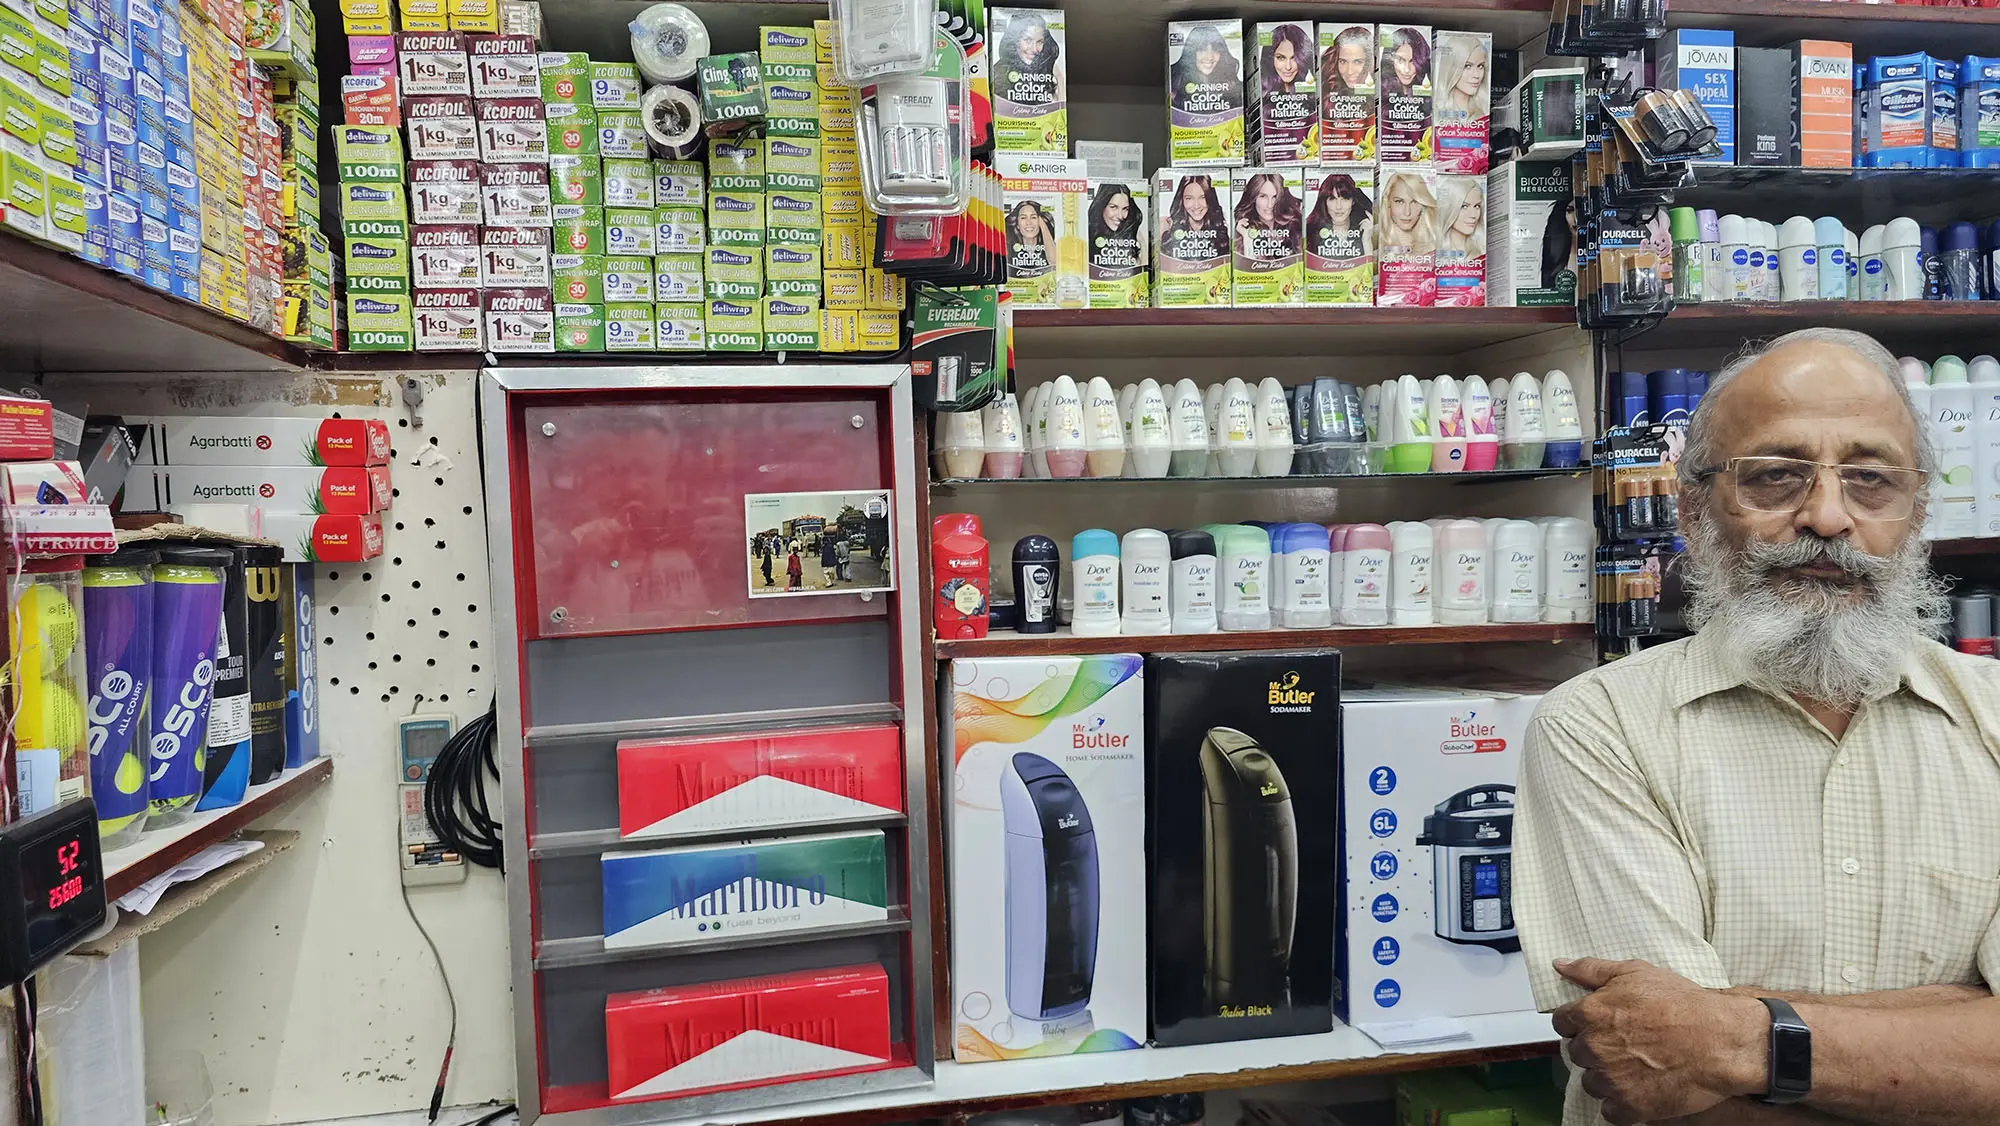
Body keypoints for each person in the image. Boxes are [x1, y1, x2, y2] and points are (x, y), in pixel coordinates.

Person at [1514, 327, 2000, 1126]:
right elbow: (1655, 1079)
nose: (1828, 517)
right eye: (1776, 476)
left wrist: (1731, 1038)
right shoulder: (1600, 728)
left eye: (1871, 480)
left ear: (1916, 515)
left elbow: (1687, 1054)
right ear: (1693, 510)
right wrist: (1959, 1033)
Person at [993, 9, 1061, 108]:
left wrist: (1059, 76)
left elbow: (1060, 110)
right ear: (1014, 41)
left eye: (1040, 42)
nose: (1034, 49)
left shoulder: (1046, 73)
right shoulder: (999, 74)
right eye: (1028, 40)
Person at [1170, 23, 1241, 113]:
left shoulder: (1234, 88)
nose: (1210, 57)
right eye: (1202, 49)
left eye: (1216, 49)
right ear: (1191, 53)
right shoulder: (1174, 87)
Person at [1233, 172, 1303, 258]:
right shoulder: (1243, 230)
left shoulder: (1295, 227)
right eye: (1263, 196)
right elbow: (1248, 265)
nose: (1270, 205)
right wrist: (1247, 240)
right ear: (1253, 198)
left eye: (1275, 197)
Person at [1306, 173, 1374, 257]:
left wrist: (1367, 241)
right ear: (1325, 202)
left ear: (1353, 201)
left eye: (1345, 199)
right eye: (1332, 199)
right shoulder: (1310, 234)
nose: (1338, 207)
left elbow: (1371, 265)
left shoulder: (1368, 230)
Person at [1162, 175, 1226, 258]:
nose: (1196, 206)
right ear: (1181, 200)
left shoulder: (1220, 228)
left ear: (1210, 199)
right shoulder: (1167, 226)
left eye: (1203, 197)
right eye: (1189, 198)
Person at [1088, 182, 1146, 269]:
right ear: (1101, 206)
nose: (1120, 216)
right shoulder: (1087, 236)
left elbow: (1142, 272)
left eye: (1125, 209)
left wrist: (1143, 243)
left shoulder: (1133, 237)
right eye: (1113, 207)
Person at [1377, 170, 1436, 254]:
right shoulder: (1374, 242)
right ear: (1388, 202)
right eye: (1399, 201)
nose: (1407, 212)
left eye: (1414, 202)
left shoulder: (1436, 242)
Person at [1435, 33, 1490, 121]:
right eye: (1467, 66)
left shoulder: (1483, 113)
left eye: (1480, 66)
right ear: (1452, 68)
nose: (1476, 75)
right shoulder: (1436, 112)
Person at [1322, 23, 1374, 99]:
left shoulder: (1381, 91)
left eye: (1357, 62)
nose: (1350, 71)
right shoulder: (1326, 91)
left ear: (1369, 62)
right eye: (1343, 61)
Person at [1260, 21, 1311, 97]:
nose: (1288, 67)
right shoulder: (1262, 94)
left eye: (1294, 58)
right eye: (1281, 58)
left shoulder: (1312, 94)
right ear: (1270, 59)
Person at [1436, 177, 1484, 257]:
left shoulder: (1482, 250)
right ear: (1448, 208)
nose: (1473, 215)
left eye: (1477, 206)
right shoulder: (1433, 251)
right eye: (1464, 206)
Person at [1380, 26, 1431, 98]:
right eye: (1400, 60)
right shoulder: (1381, 92)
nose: (1407, 70)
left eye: (1412, 61)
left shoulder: (1429, 94)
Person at [1009, 200, 1056, 276]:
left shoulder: (1050, 248)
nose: (1029, 222)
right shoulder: (1010, 249)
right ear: (1017, 225)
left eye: (1033, 217)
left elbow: (1054, 262)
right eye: (1023, 218)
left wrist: (1043, 226)